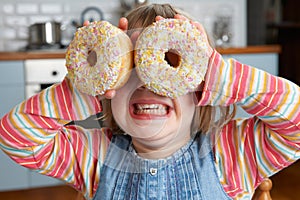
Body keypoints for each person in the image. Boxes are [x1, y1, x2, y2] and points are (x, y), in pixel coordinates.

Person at [0, 3, 299, 200]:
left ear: (200, 86)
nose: (146, 81)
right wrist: (86, 87)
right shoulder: (93, 155)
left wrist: (220, 75)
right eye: (130, 66)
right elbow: (16, 138)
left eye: (168, 62)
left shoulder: (232, 154)